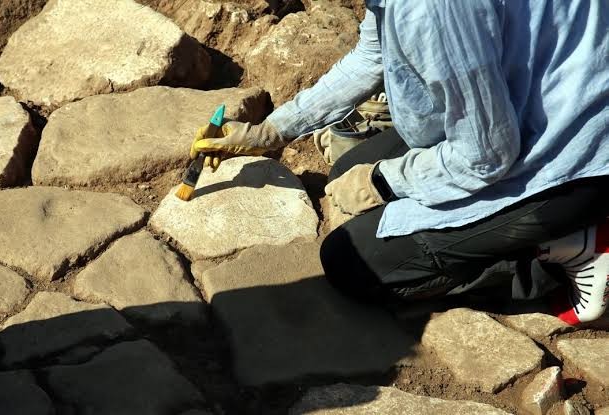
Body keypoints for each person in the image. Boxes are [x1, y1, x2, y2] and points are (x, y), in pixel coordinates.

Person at [190, 0, 609, 324]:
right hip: (530, 103)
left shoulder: (428, 9)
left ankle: (567, 248)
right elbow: (370, 57)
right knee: (344, 170)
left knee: (352, 262)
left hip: (574, 159)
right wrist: (274, 131)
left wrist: (382, 181)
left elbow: (486, 154)